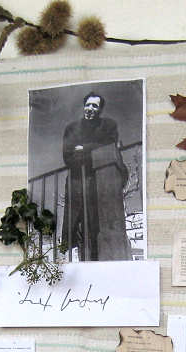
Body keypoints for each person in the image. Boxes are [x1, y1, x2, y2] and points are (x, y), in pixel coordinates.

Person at [62, 92, 132, 261]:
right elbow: (68, 156)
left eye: (95, 106)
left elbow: (109, 147)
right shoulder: (72, 128)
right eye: (88, 104)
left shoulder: (108, 125)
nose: (90, 108)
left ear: (100, 110)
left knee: (99, 224)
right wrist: (94, 149)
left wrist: (84, 148)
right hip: (77, 181)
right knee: (76, 225)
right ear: (83, 106)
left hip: (102, 182)